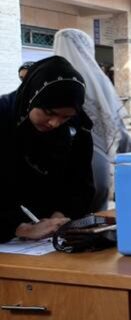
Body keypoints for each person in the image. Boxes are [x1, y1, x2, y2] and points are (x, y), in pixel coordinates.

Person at [0, 56, 95, 242]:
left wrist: (60, 216)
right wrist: (21, 228)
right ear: (31, 99)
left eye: (65, 117)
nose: (54, 123)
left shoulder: (77, 130)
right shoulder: (3, 119)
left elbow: (80, 184)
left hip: (47, 241)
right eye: (49, 113)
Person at [54, 28, 131, 211]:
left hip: (58, 165)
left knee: (64, 221)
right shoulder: (97, 79)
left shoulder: (50, 80)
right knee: (96, 220)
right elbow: (119, 130)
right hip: (97, 160)